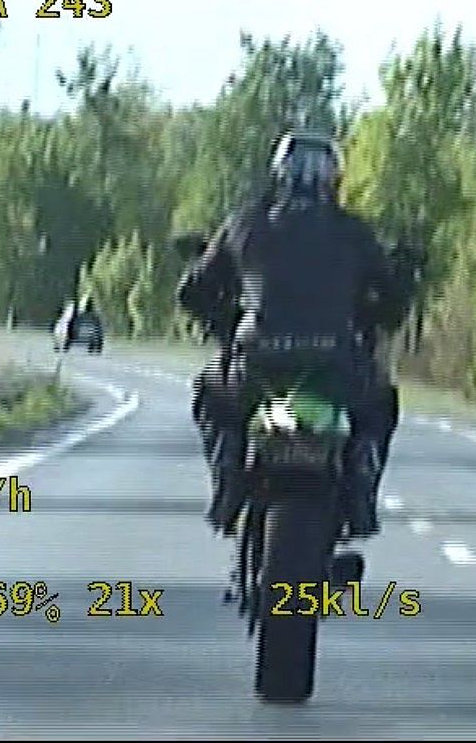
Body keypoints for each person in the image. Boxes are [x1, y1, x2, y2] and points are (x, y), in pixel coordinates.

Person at [176, 131, 417, 539]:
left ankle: (227, 475)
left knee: (211, 395)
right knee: (379, 406)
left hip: (258, 366)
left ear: (279, 174)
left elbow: (192, 292)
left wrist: (224, 323)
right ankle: (360, 485)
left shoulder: (246, 223)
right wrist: (398, 283)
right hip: (336, 367)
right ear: (334, 179)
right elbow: (392, 304)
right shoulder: (353, 232)